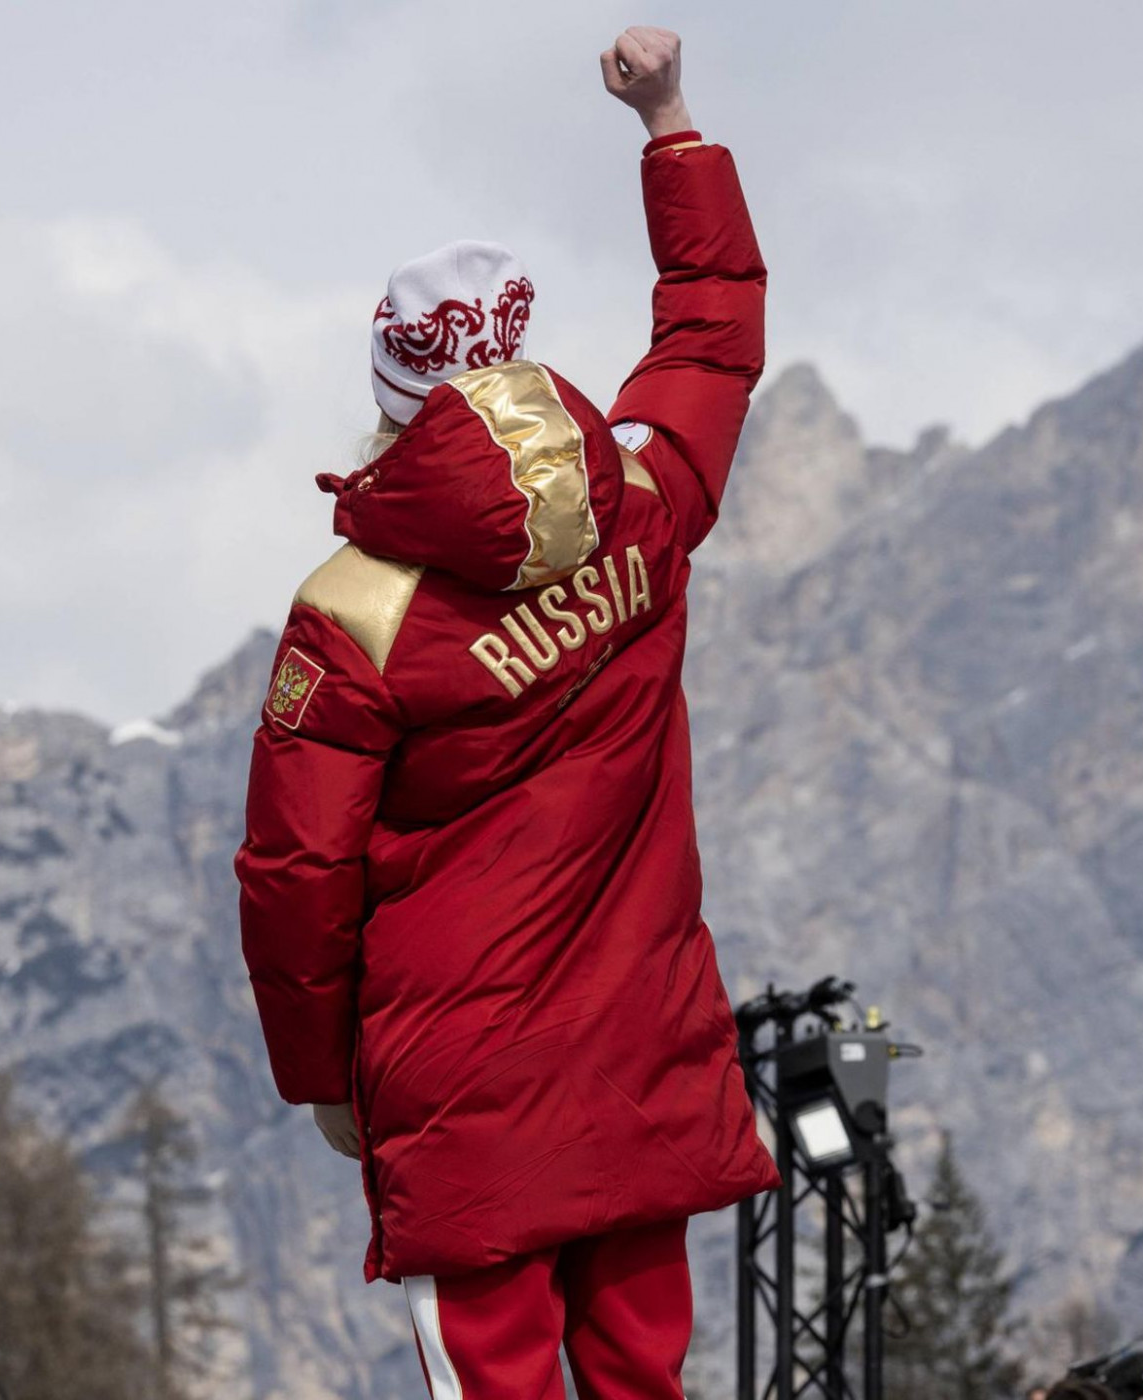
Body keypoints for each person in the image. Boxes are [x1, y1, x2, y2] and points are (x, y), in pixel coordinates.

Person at [234, 24, 779, 1400]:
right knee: (646, 1380)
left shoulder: (353, 614)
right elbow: (713, 330)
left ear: (394, 409)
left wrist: (323, 1081)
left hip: (462, 1087)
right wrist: (670, 122)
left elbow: (300, 877)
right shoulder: (647, 504)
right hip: (644, 1053)